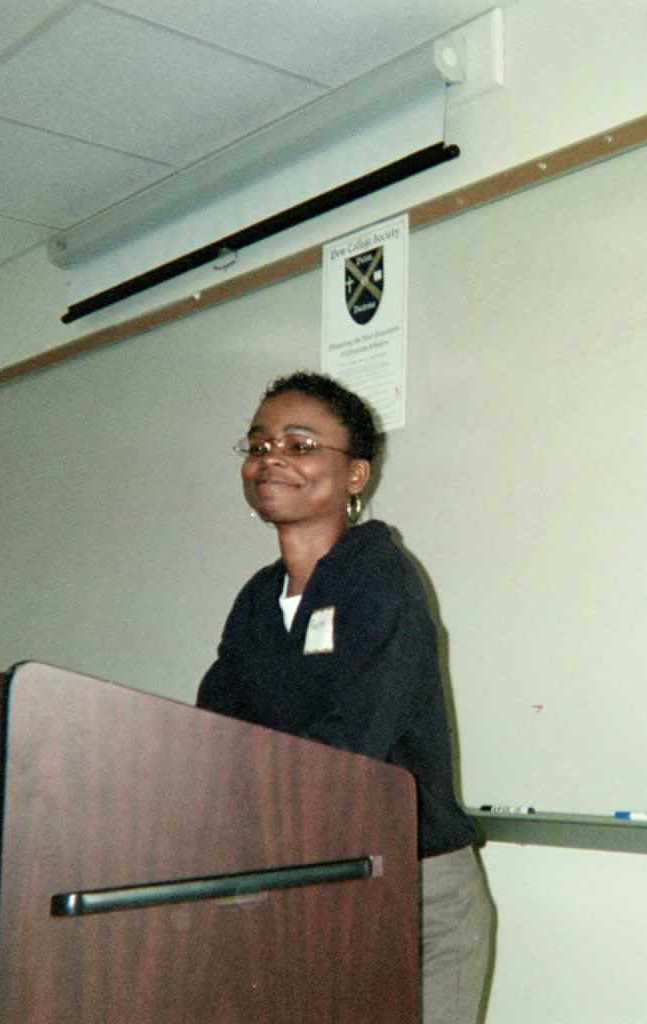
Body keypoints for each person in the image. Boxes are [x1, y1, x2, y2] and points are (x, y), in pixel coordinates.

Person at [197, 371, 493, 1023]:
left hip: (417, 893)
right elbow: (213, 731)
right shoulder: (257, 600)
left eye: (300, 445)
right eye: (258, 444)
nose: (271, 456)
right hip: (311, 877)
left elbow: (352, 744)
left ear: (356, 475)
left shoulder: (381, 579)